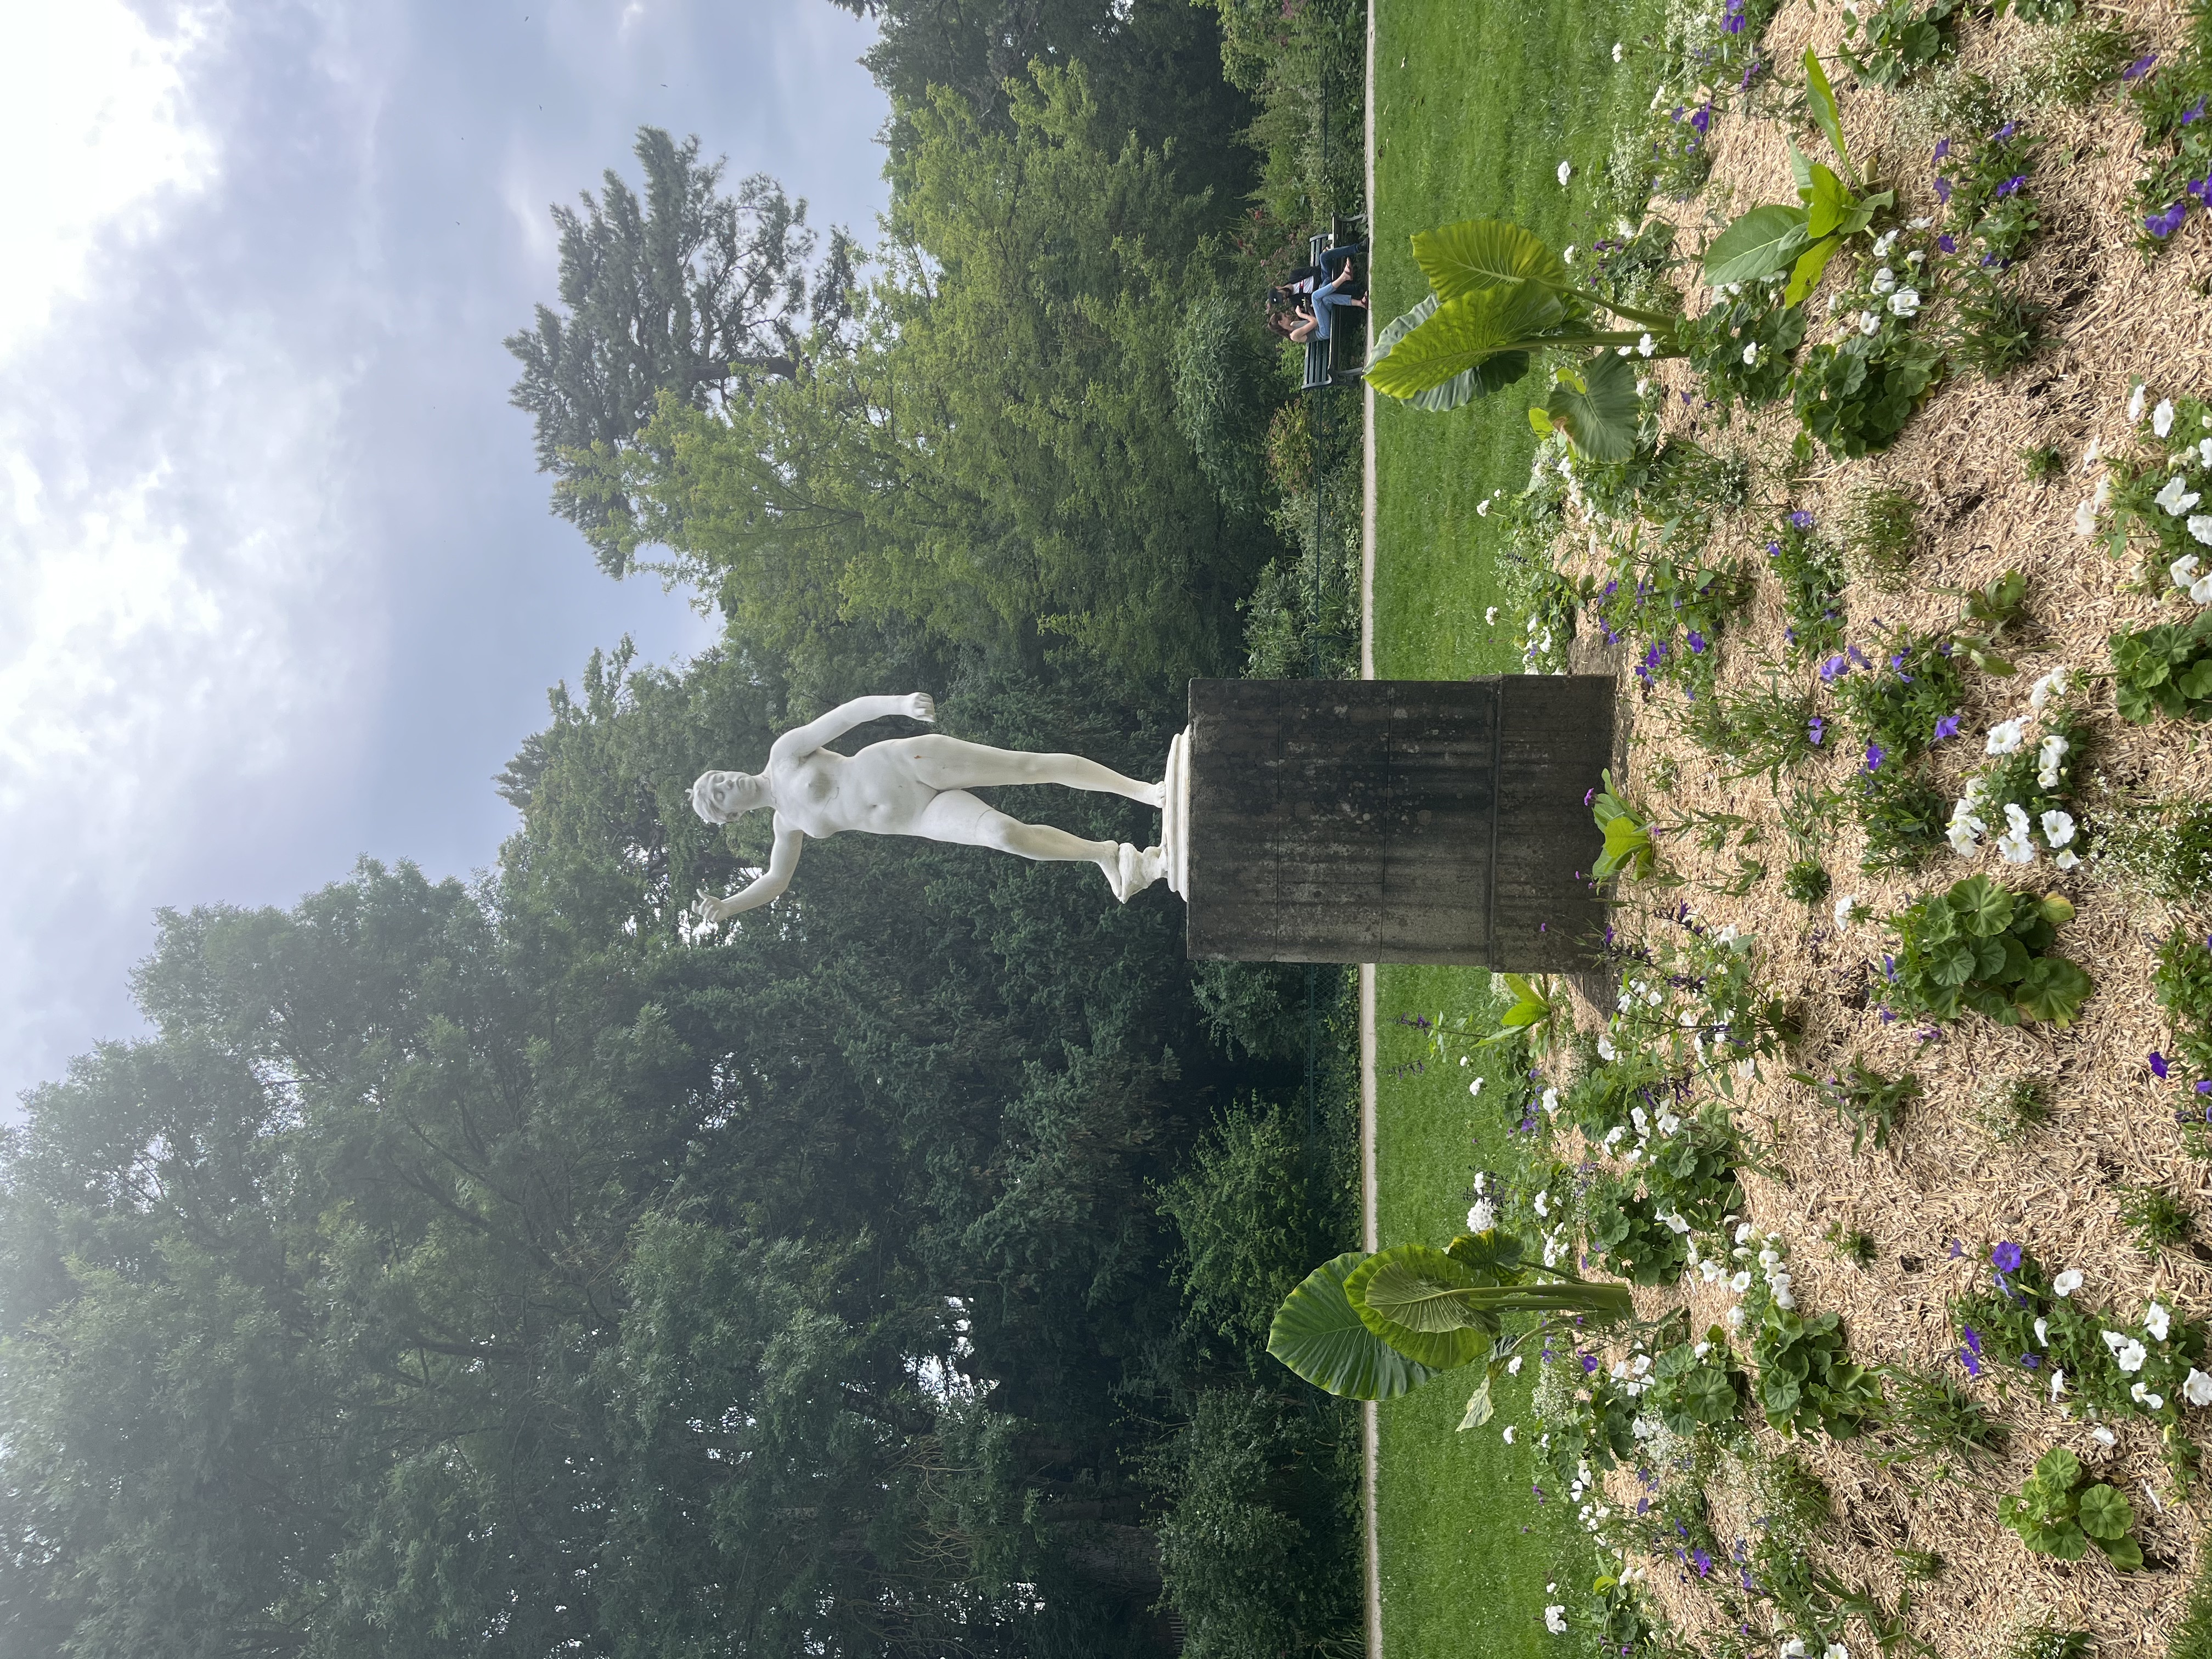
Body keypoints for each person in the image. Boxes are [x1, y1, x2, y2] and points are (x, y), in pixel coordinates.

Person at [688, 693, 1168, 924]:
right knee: (1005, 836)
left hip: (906, 764)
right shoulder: (786, 825)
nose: (728, 781)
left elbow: (846, 715)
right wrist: (730, 905)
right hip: (920, 819)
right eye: (722, 792)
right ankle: (1107, 854)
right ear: (731, 816)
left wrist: (899, 704)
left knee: (1027, 766)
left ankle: (1142, 790)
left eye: (720, 777)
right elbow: (776, 881)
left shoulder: (784, 754)